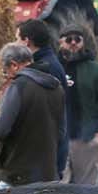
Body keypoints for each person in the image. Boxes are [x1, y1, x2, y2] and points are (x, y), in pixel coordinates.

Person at [0, 42, 64, 186]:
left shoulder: (18, 86)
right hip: (47, 174)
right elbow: (61, 132)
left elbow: (1, 129)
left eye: (5, 71)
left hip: (17, 175)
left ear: (14, 65)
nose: (6, 76)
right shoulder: (56, 86)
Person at [58, 26, 98, 184]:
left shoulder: (94, 69)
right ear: (61, 42)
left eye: (78, 39)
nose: (74, 43)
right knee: (59, 187)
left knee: (87, 188)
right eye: (69, 39)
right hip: (61, 137)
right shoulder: (55, 67)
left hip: (87, 137)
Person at [18, 19, 72, 176]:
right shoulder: (48, 62)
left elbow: (46, 114)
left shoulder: (45, 68)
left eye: (17, 39)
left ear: (27, 41)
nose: (16, 43)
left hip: (47, 152)